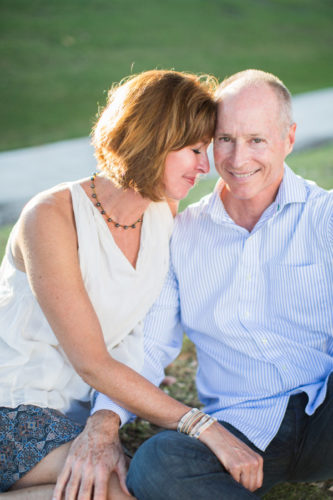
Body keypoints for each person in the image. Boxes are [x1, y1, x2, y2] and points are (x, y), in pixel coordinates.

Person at [65, 69, 332, 499]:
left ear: (289, 138)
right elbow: (150, 346)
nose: (238, 159)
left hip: (325, 410)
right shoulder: (182, 233)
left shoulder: (325, 217)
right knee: (156, 465)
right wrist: (105, 420)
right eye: (225, 139)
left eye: (257, 140)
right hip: (240, 429)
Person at [0, 69, 220, 497]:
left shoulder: (163, 212)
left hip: (75, 418)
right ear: (155, 138)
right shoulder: (51, 215)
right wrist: (201, 425)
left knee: (120, 484)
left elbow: (138, 332)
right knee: (119, 487)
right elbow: (93, 362)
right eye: (195, 149)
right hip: (11, 408)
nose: (205, 166)